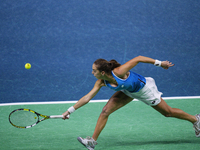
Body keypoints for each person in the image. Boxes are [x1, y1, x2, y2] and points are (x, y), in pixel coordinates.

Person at [62, 55, 200, 150]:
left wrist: (161, 63)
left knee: (167, 113)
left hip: (145, 90)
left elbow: (139, 58)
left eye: (94, 71)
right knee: (105, 111)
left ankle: (196, 120)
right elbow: (87, 97)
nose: (92, 73)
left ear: (103, 72)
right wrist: (70, 110)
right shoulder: (101, 82)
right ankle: (92, 141)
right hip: (128, 91)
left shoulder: (119, 72)